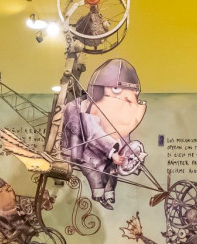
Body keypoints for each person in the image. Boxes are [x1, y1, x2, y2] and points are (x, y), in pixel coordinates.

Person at [61, 58, 148, 210]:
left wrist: (128, 157)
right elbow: (94, 133)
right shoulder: (84, 111)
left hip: (107, 152)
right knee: (92, 169)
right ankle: (99, 193)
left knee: (112, 171)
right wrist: (113, 153)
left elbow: (122, 135)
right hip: (86, 150)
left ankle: (108, 194)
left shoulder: (116, 115)